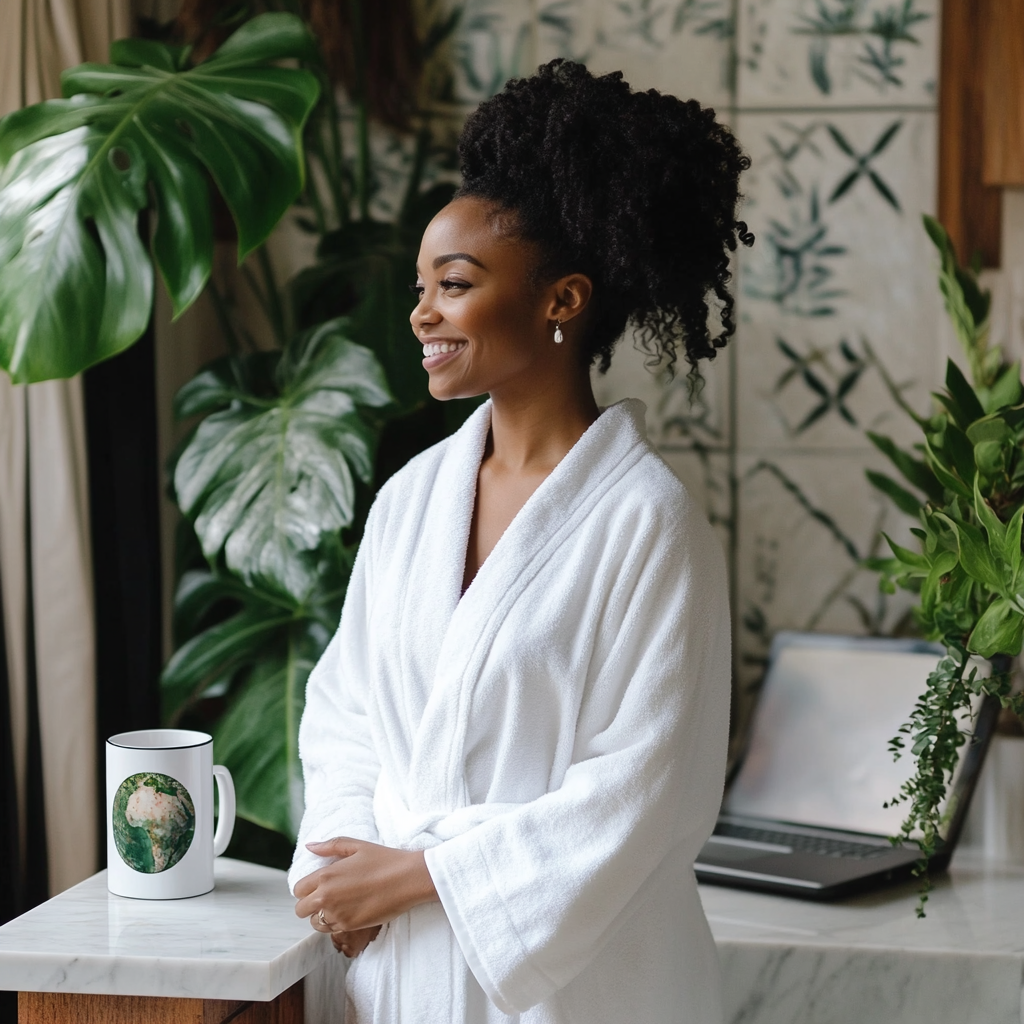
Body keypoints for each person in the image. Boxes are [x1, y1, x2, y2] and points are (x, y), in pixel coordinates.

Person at [289, 59, 751, 1024]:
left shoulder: (647, 524)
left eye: (453, 285)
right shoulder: (412, 501)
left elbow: (648, 794)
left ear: (562, 301)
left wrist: (425, 875)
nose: (420, 313)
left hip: (584, 990)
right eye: (421, 285)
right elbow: (346, 714)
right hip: (404, 975)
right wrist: (347, 865)